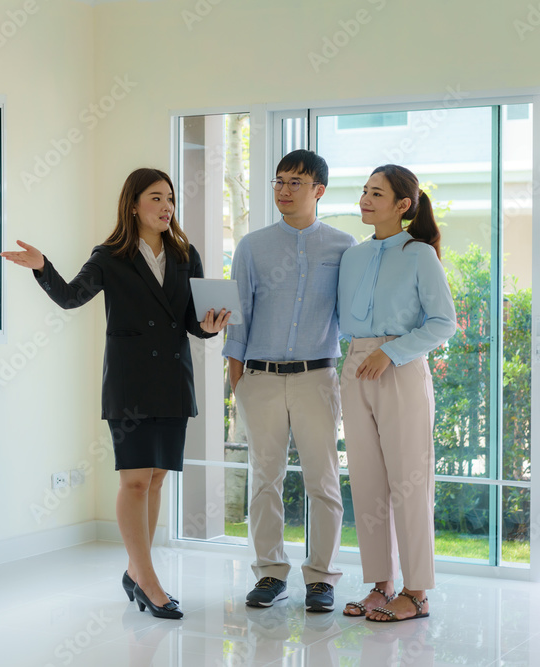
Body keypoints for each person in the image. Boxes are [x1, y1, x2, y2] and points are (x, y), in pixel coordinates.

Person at [1, 167, 230, 620]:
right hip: (130, 382)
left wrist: (208, 327)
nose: (166, 207)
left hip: (172, 380)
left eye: (170, 199)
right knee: (135, 480)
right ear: (133, 205)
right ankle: (147, 579)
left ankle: (134, 568)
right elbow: (70, 297)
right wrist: (43, 268)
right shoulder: (109, 256)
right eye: (156, 198)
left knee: (158, 477)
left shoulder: (186, 254)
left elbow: (190, 322)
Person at [223, 149, 356, 612]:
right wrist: (237, 380)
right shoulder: (252, 246)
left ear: (318, 189)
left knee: (324, 481)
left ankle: (321, 578)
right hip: (258, 379)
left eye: (294, 182)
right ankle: (269, 574)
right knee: (265, 479)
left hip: (317, 377)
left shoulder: (344, 248)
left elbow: (352, 314)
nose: (283, 189)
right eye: (278, 181)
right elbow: (236, 318)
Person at [337, 164, 457, 622]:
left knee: (410, 482)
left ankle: (417, 591)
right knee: (366, 482)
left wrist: (392, 353)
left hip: (400, 367)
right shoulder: (352, 256)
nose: (365, 200)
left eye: (376, 194)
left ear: (403, 205)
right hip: (355, 366)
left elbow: (443, 323)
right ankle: (380, 584)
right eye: (364, 192)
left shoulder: (419, 253)